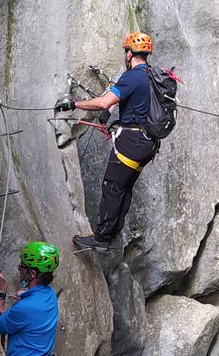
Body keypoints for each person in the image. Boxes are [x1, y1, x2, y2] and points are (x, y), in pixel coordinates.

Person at [57, 32, 160, 251]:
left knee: (112, 186)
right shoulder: (152, 76)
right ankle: (112, 233)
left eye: (126, 52)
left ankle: (102, 239)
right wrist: (109, 113)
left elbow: (105, 102)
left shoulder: (132, 76)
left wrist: (74, 105)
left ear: (129, 53)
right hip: (148, 143)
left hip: (131, 142)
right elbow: (129, 99)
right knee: (124, 187)